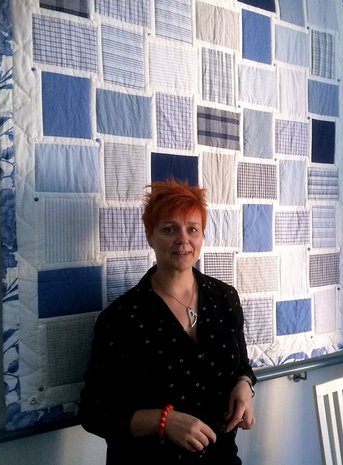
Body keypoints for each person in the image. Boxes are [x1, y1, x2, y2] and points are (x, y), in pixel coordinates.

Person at [79, 178, 257, 465]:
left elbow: (243, 367)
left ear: (202, 235)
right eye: (169, 229)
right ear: (150, 236)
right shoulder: (122, 317)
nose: (183, 240)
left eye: (192, 229)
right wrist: (164, 421)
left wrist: (245, 386)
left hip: (222, 458)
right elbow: (94, 412)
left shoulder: (225, 298)